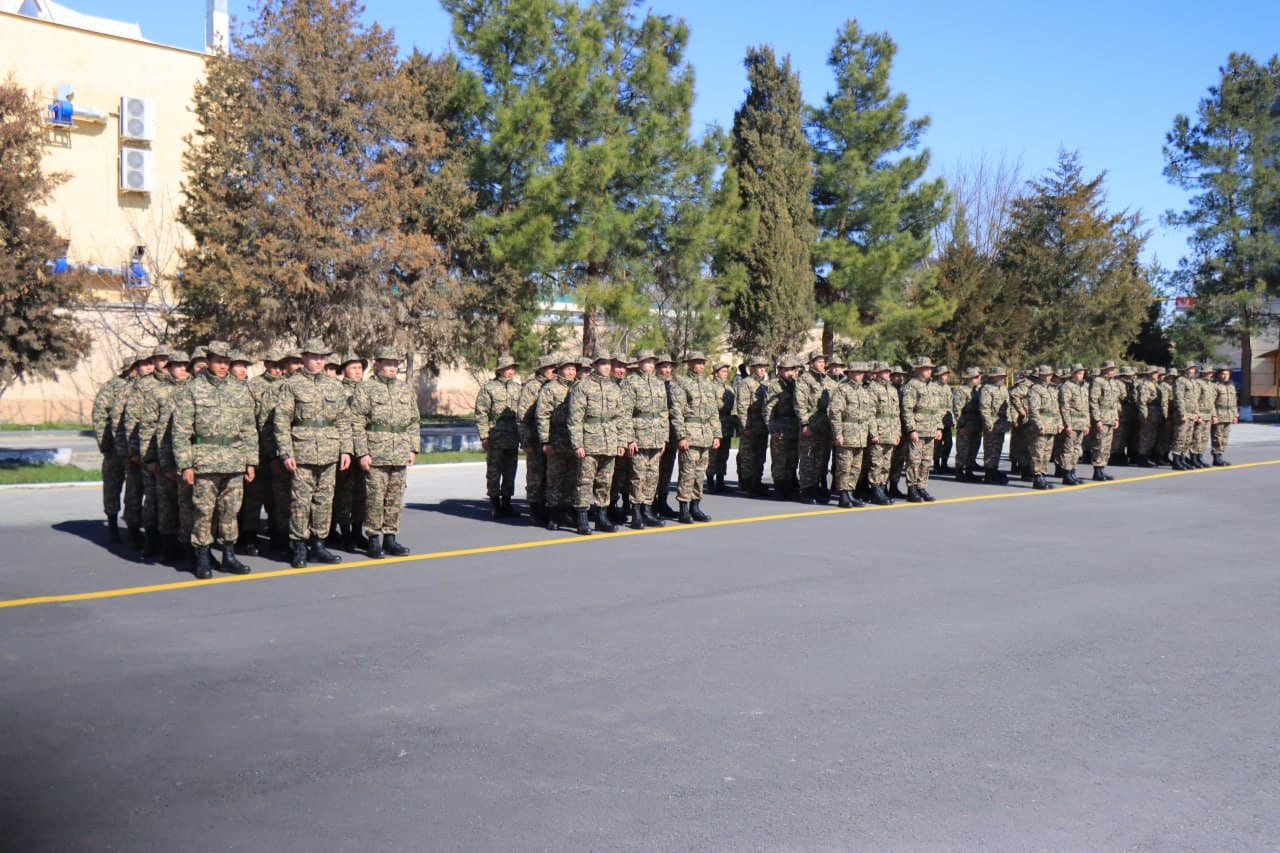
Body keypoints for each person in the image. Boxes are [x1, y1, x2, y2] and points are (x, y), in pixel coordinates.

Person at [171, 341, 258, 579]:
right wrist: (185, 465)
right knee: (203, 511)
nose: (223, 366)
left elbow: (249, 428)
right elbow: (180, 432)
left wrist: (251, 461)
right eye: (218, 361)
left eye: (226, 362)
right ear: (208, 361)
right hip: (204, 461)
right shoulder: (192, 389)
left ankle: (228, 556)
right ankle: (202, 556)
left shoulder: (239, 389)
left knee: (231, 510)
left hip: (234, 459)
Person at [273, 339, 353, 568]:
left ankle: (319, 544)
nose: (319, 361)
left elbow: (343, 420)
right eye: (314, 357)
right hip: (302, 451)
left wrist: (346, 449)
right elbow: (281, 421)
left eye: (322, 358)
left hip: (329, 451)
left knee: (324, 500)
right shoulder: (292, 385)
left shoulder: (334, 386)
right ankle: (299, 546)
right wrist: (286, 452)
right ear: (304, 358)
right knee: (300, 501)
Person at [349, 347, 420, 557]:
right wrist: (362, 453)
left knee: (395, 498)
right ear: (377, 364)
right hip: (375, 452)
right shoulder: (366, 389)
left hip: (399, 451)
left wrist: (413, 448)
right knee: (374, 498)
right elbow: (357, 422)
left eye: (395, 364)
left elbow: (414, 421)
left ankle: (390, 538)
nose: (392, 367)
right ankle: (373, 538)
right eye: (388, 363)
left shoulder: (405, 389)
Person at [138, 350, 191, 561]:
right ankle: (167, 547)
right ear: (169, 368)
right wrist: (150, 458)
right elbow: (147, 428)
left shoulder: (196, 390)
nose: (183, 369)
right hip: (164, 457)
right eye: (178, 365)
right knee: (166, 504)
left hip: (189, 457)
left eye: (186, 365)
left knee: (188, 506)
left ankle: (188, 547)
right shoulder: (158, 393)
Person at [567, 352, 627, 535]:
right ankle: (582, 517)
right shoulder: (582, 386)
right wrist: (577, 444)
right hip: (589, 441)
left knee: (605, 482)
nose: (607, 367)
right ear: (594, 365)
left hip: (610, 441)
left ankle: (601, 517)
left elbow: (620, 416)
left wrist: (621, 441)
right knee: (584, 481)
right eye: (602, 363)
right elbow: (575, 419)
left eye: (609, 363)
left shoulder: (614, 388)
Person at [621, 349, 670, 529]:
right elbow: (625, 413)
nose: (650, 365)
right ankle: (636, 512)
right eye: (647, 362)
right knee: (638, 476)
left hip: (656, 436)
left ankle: (647, 510)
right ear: (640, 363)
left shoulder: (658, 383)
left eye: (652, 362)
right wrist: (629, 438)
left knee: (652, 475)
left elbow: (664, 412)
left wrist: (664, 438)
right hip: (639, 436)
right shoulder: (631, 382)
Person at [670, 352, 722, 523]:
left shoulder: (707, 385)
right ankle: (684, 508)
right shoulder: (681, 383)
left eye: (702, 363)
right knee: (687, 473)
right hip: (690, 434)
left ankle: (695, 506)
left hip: (705, 434)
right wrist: (681, 436)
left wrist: (716, 434)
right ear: (690, 364)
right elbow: (677, 412)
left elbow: (713, 412)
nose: (700, 366)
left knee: (700, 474)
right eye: (697, 362)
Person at [93, 351, 137, 543]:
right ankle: (112, 521)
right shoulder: (111, 387)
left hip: (133, 447)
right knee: (112, 485)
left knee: (134, 488)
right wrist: (104, 444)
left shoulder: (142, 386)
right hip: (114, 447)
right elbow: (100, 416)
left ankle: (132, 524)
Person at [474, 354, 522, 519]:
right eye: (507, 368)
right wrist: (484, 436)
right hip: (496, 434)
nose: (510, 371)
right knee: (494, 472)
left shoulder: (517, 388)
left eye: (512, 368)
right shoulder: (489, 388)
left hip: (513, 435)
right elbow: (481, 413)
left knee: (510, 471)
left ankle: (507, 503)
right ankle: (495, 504)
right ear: (500, 370)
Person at [535, 357, 579, 531]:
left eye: (573, 369)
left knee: (572, 478)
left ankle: (567, 513)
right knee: (555, 478)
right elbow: (542, 416)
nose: (571, 372)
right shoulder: (550, 388)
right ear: (559, 370)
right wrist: (545, 441)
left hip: (574, 440)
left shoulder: (579, 387)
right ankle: (554, 515)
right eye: (567, 369)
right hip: (556, 439)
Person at [330, 353, 369, 547]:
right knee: (343, 492)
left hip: (365, 448)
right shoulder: (336, 390)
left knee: (362, 493)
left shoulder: (368, 390)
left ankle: (357, 531)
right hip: (344, 448)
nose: (357, 371)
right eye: (353, 367)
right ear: (343, 370)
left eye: (360, 368)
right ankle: (343, 531)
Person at [518, 355, 559, 526]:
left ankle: (549, 509)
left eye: (555, 368)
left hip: (552, 438)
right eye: (550, 368)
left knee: (551, 475)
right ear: (541, 369)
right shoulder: (532, 387)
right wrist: (526, 441)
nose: (553, 371)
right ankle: (535, 510)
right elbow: (523, 417)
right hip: (535, 438)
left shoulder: (555, 386)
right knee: (536, 476)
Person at [828, 361, 875, 508]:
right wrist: (838, 434)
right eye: (856, 373)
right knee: (844, 467)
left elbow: (870, 414)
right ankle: (843, 495)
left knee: (855, 467)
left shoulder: (864, 392)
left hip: (860, 435)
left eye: (861, 373)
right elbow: (835, 413)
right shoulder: (842, 390)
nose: (860, 375)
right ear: (850, 374)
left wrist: (872, 433)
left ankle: (850, 492)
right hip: (847, 434)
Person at [795, 352, 837, 504]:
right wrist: (804, 424)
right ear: (811, 363)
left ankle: (818, 487)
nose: (822, 364)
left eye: (823, 361)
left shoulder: (829, 381)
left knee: (822, 458)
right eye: (819, 361)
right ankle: (806, 490)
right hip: (811, 424)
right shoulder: (804, 380)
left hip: (826, 425)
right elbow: (800, 404)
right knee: (808, 458)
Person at [763, 355, 801, 500]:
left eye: (792, 369)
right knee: (780, 461)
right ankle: (779, 489)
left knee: (792, 460)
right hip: (780, 427)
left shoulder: (796, 385)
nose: (789, 372)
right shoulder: (774, 386)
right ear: (779, 371)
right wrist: (772, 429)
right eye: (786, 370)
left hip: (794, 427)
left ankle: (790, 487)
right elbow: (768, 410)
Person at [865, 362, 902, 505]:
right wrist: (874, 433)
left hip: (891, 432)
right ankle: (875, 490)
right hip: (879, 432)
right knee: (876, 463)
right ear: (877, 373)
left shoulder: (892, 390)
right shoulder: (872, 389)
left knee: (886, 464)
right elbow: (870, 414)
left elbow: (896, 414)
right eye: (884, 372)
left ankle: (882, 488)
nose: (887, 374)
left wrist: (898, 433)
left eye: (888, 372)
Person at [733, 355, 771, 497]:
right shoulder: (746, 383)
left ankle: (757, 482)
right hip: (750, 423)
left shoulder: (765, 384)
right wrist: (744, 427)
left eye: (763, 367)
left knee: (760, 455)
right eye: (759, 367)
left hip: (762, 424)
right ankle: (747, 484)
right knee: (747, 456)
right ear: (752, 368)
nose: (762, 369)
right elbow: (741, 407)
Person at [1025, 365, 1063, 490]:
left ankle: (1043, 475)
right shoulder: (1035, 389)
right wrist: (1039, 425)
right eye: (1046, 375)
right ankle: (1037, 477)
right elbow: (1033, 410)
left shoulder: (1053, 389)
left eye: (1050, 374)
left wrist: (1059, 423)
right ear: (1040, 375)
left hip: (1051, 425)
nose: (1049, 377)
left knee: (1047, 453)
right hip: (1041, 425)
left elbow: (1056, 409)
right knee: (1038, 452)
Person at [1054, 364, 1089, 485]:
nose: (1081, 375)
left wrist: (1087, 424)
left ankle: (1073, 471)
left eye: (1082, 373)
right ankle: (1067, 474)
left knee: (1077, 449)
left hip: (1081, 423)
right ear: (1073, 374)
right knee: (1068, 450)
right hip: (1072, 423)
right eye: (1079, 373)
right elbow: (1065, 407)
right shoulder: (1067, 387)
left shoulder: (1084, 387)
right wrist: (1067, 424)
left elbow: (1086, 407)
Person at [1087, 360, 1122, 480]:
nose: (1112, 370)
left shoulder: (1113, 382)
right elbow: (1093, 401)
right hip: (1102, 417)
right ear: (1104, 370)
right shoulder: (1098, 381)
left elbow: (1115, 402)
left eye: (1113, 368)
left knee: (1107, 446)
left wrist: (1116, 417)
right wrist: (1097, 419)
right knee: (1099, 444)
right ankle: (1097, 470)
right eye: (1110, 368)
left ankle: (1102, 468)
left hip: (1111, 417)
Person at [977, 366, 1012, 485]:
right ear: (994, 377)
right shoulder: (987, 389)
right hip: (992, 422)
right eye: (1000, 376)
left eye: (1003, 376)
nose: (1003, 378)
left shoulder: (1003, 388)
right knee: (990, 449)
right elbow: (984, 408)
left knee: (998, 448)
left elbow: (1008, 405)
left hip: (1001, 423)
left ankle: (994, 469)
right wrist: (988, 424)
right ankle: (989, 472)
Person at [706, 360, 736, 493]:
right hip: (714, 424)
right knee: (712, 454)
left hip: (727, 425)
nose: (726, 374)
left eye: (726, 371)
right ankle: (710, 481)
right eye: (723, 371)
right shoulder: (710, 387)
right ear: (716, 373)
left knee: (724, 454)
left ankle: (720, 481)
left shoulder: (729, 388)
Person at [952, 367, 983, 482]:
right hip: (966, 422)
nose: (979, 379)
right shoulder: (960, 390)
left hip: (976, 422)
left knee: (974, 447)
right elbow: (957, 410)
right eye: (976, 377)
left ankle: (969, 470)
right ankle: (959, 471)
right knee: (963, 448)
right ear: (969, 378)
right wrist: (961, 425)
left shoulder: (977, 390)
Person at [1170, 360, 1202, 470]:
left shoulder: (1192, 382)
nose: (1192, 370)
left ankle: (1182, 459)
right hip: (1184, 413)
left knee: (1187, 439)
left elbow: (1195, 400)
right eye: (1190, 369)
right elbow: (1179, 398)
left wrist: (1197, 414)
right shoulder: (1180, 381)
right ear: (1185, 370)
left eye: (1193, 369)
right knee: (1180, 437)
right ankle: (1176, 460)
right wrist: (1182, 413)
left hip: (1192, 414)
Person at [1211, 364, 1239, 466]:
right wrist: (1214, 416)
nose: (1225, 376)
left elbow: (1234, 401)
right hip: (1219, 414)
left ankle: (1220, 455)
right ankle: (1216, 457)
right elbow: (1211, 402)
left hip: (1229, 415)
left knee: (1225, 437)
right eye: (1223, 374)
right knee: (1217, 437)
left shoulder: (1231, 386)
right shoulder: (1215, 386)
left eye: (1227, 374)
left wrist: (1235, 415)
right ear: (1219, 374)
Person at [933, 365, 954, 474]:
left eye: (946, 375)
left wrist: (952, 419)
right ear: (938, 375)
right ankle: (936, 464)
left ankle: (944, 464)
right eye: (943, 375)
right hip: (937, 420)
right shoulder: (933, 387)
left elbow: (950, 405)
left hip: (946, 420)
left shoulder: (947, 388)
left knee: (949, 443)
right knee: (937, 444)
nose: (945, 377)